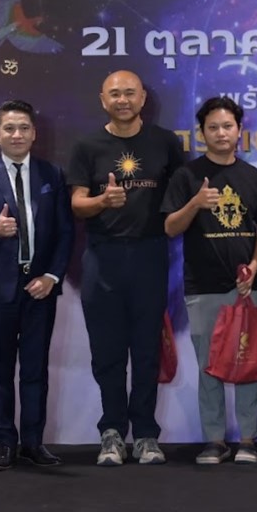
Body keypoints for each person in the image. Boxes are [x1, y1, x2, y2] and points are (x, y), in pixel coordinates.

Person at [69, 70, 185, 466]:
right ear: (103, 99)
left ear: (143, 98)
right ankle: (112, 433)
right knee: (108, 352)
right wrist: (103, 201)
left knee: (147, 350)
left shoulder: (166, 143)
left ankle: (147, 434)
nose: (123, 100)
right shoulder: (87, 145)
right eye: (115, 94)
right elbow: (77, 203)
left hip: (150, 257)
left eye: (130, 93)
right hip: (102, 259)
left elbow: (179, 198)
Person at [0, 99, 74, 471]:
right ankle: (5, 444)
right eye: (9, 128)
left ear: (34, 133)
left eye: (24, 128)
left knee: (35, 370)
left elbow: (65, 232)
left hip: (40, 288)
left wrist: (52, 276)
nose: (17, 135)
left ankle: (34, 443)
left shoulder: (51, 174)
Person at [162, 97, 257, 465]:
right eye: (213, 127)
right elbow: (170, 227)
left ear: (239, 131)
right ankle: (214, 440)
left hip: (245, 287)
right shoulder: (187, 176)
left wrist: (254, 265)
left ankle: (248, 439)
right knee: (208, 365)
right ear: (202, 133)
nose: (221, 133)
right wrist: (195, 203)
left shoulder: (254, 177)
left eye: (227, 126)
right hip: (203, 285)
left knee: (248, 362)